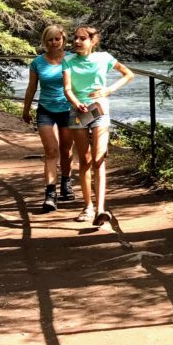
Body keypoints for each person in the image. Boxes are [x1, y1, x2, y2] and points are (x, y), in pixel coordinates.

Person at [62, 26, 134, 225]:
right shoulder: (68, 60)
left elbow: (128, 74)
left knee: (99, 159)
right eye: (75, 38)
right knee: (84, 161)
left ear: (93, 41)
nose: (76, 42)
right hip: (78, 112)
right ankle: (88, 206)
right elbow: (67, 88)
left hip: (99, 111)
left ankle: (101, 209)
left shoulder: (104, 58)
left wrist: (108, 90)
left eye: (82, 38)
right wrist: (77, 103)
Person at [21, 25, 75, 212]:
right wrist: (26, 110)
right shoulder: (37, 63)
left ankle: (66, 181)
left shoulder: (71, 60)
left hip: (68, 110)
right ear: (45, 42)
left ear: (63, 40)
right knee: (51, 151)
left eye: (57, 39)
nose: (54, 43)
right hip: (45, 110)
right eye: (50, 39)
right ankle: (50, 194)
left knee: (66, 150)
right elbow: (31, 87)